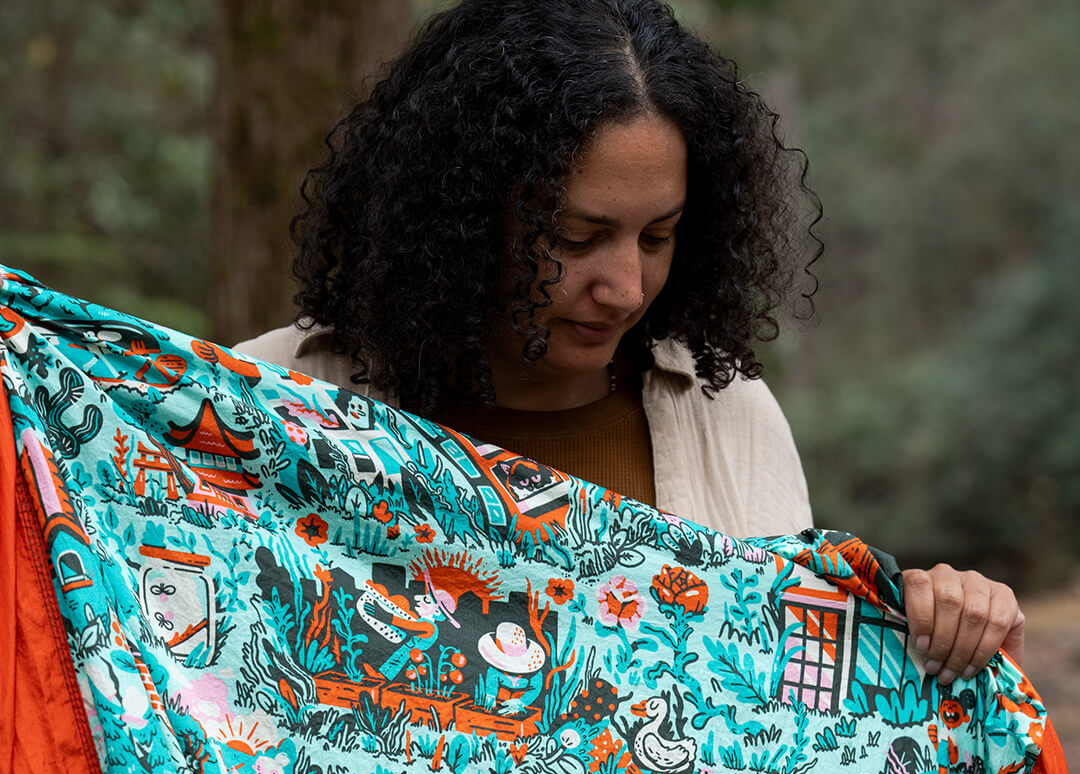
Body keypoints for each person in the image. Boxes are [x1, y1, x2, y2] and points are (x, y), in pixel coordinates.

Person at [236, 0, 1024, 686]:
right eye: (577, 237)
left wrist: (939, 623)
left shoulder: (731, 416)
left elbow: (791, 723)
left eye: (659, 236)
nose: (627, 287)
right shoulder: (263, 398)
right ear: (463, 221)